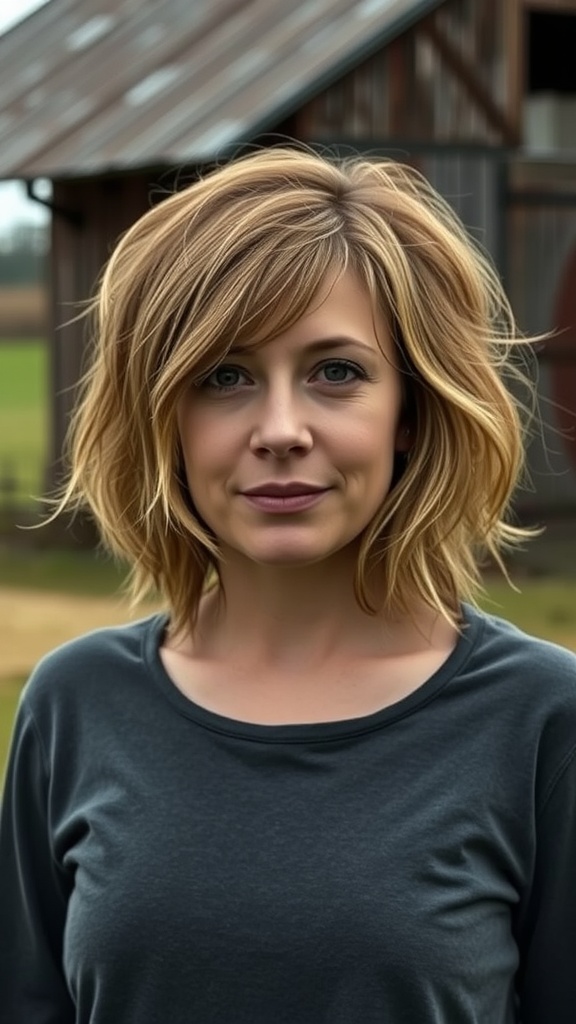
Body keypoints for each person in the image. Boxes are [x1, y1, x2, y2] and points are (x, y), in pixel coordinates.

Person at [0, 146, 575, 1024]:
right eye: (223, 377)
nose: (280, 429)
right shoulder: (75, 704)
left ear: (411, 411)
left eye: (335, 372)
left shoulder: (541, 719)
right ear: (163, 414)